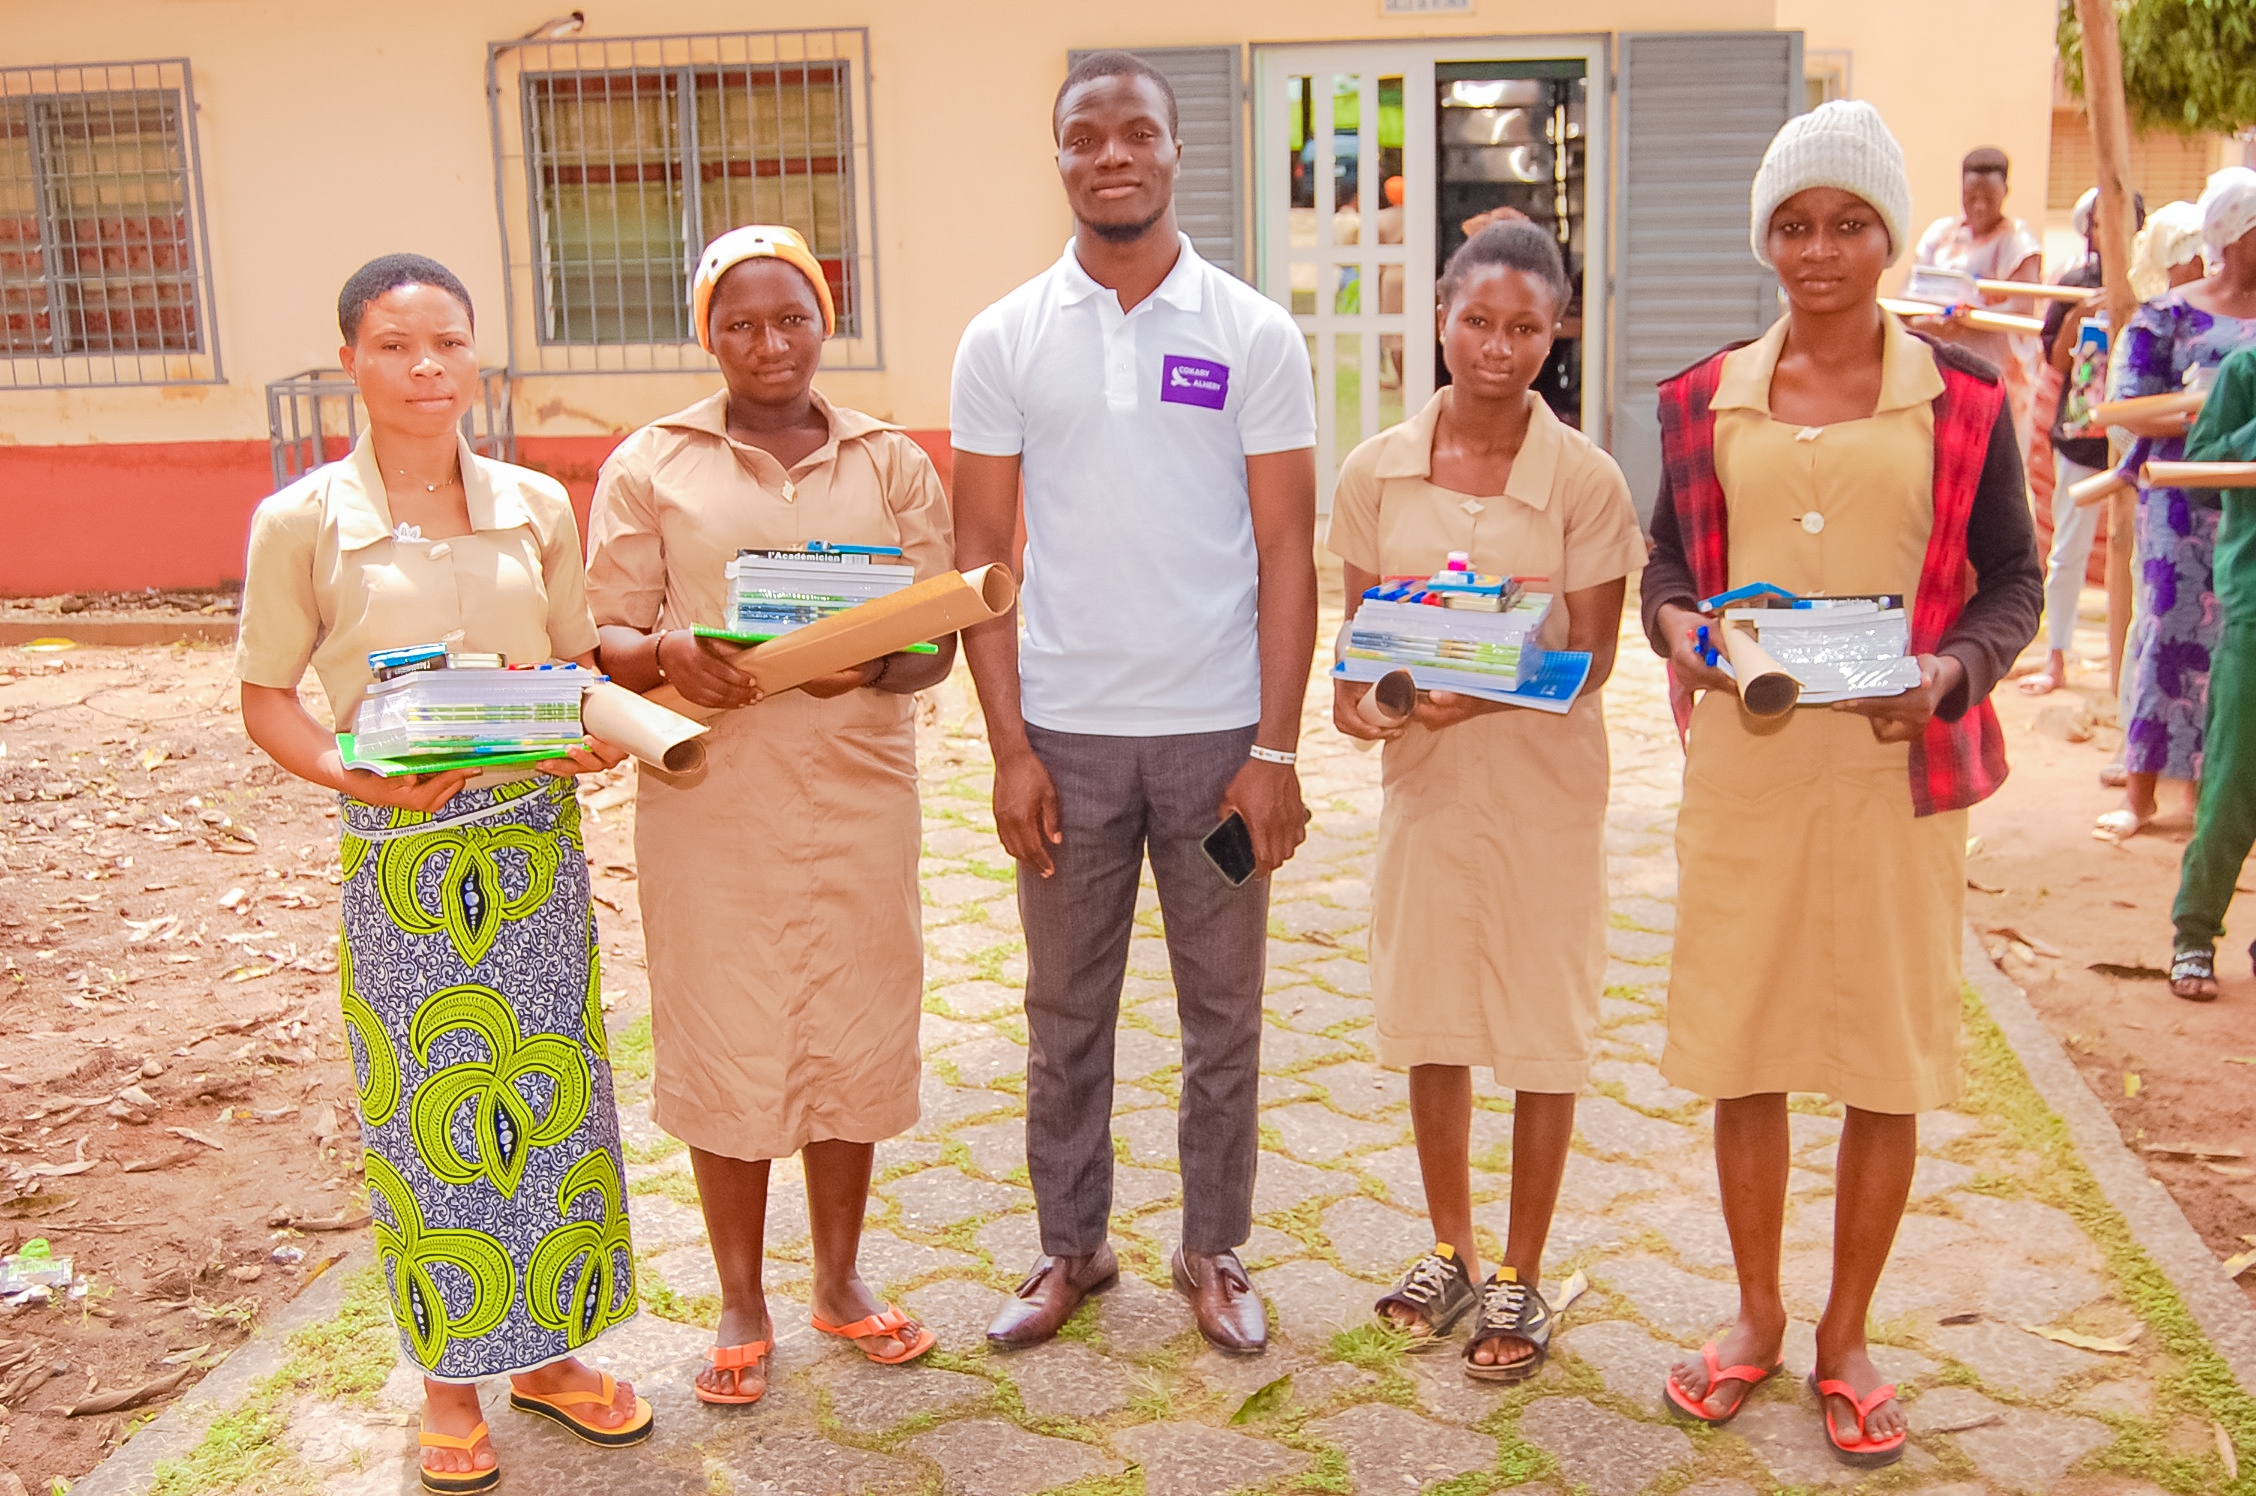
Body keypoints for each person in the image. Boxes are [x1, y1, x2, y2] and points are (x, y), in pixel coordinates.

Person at [1640, 103, 2040, 1467]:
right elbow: (1668, 575)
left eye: (1851, 223)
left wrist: (1945, 675)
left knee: (1884, 1057)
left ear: (1887, 235)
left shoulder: (1966, 399)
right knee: (1745, 1045)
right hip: (1749, 777)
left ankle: (1846, 1334)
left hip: (1895, 776)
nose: (1822, 250)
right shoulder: (1704, 399)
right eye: (1797, 225)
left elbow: (2015, 588)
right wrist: (1684, 634)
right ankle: (1754, 1316)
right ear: (1767, 238)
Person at [235, 255, 651, 1495]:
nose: (426, 369)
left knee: (552, 1103)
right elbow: (267, 700)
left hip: (531, 847)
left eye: (448, 344)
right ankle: (449, 1381)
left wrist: (608, 726)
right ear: (351, 360)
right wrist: (347, 773)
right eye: (394, 346)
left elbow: (578, 662)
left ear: (477, 359)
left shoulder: (533, 502)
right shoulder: (302, 521)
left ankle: (552, 1355)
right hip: (405, 857)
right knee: (434, 1117)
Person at [950, 51, 1318, 1355]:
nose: (1112, 154)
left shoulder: (1253, 333)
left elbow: (1288, 552)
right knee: (1064, 1015)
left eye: (1137, 133)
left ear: (1175, 153)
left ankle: (1213, 1251)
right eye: (1085, 136)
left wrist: (1275, 749)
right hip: (1069, 743)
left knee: (1225, 1016)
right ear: (1058, 159)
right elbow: (980, 563)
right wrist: (1009, 748)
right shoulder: (1003, 340)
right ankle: (1072, 1248)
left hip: (1218, 742)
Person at [585, 226, 953, 1401]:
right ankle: (741, 1294)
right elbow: (604, 638)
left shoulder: (891, 461)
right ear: (708, 333)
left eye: (790, 316)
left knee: (854, 1017)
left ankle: (840, 1281)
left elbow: (935, 632)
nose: (768, 343)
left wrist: (875, 665)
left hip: (856, 781)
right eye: (739, 322)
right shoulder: (652, 462)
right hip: (713, 792)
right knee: (728, 1026)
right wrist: (672, 651)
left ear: (824, 318)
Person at [1330, 220, 1643, 1380]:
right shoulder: (1374, 473)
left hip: (1544, 791)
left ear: (1556, 331)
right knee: (1435, 1019)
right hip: (1427, 790)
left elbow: (1599, 655)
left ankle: (1521, 1266)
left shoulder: (1586, 480)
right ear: (1443, 318)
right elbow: (1359, 657)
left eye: (1526, 327)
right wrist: (1374, 706)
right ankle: (1450, 1248)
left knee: (1543, 1030)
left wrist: (1488, 679)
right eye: (1479, 321)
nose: (1499, 347)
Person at [2096, 169, 2256, 842]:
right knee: (2168, 640)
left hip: (2247, 514)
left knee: (2236, 651)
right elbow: (2119, 411)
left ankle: (2211, 803)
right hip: (2181, 513)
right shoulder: (2168, 316)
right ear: (2235, 235)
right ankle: (2139, 796)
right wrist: (2206, 403)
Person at [2022, 188, 2143, 696]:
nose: (2107, 231)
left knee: (2137, 557)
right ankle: (2056, 659)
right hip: (2079, 439)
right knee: (2066, 553)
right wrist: (2079, 318)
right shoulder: (2071, 285)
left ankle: (2129, 667)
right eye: (2098, 222)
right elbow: (2055, 362)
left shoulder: (2155, 288)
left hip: (2138, 441)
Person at [2171, 342, 2256, 999]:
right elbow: (2203, 465)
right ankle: (2195, 932)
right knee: (2234, 778)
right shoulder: (2246, 369)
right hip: (2254, 606)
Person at [1912, 147, 2045, 455]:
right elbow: (1912, 293)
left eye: (1989, 196)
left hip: (2000, 379)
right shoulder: (1940, 236)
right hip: (1942, 373)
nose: (1980, 206)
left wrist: (1969, 319)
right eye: (1971, 196)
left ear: (2005, 192)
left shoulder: (2019, 242)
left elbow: (2022, 306)